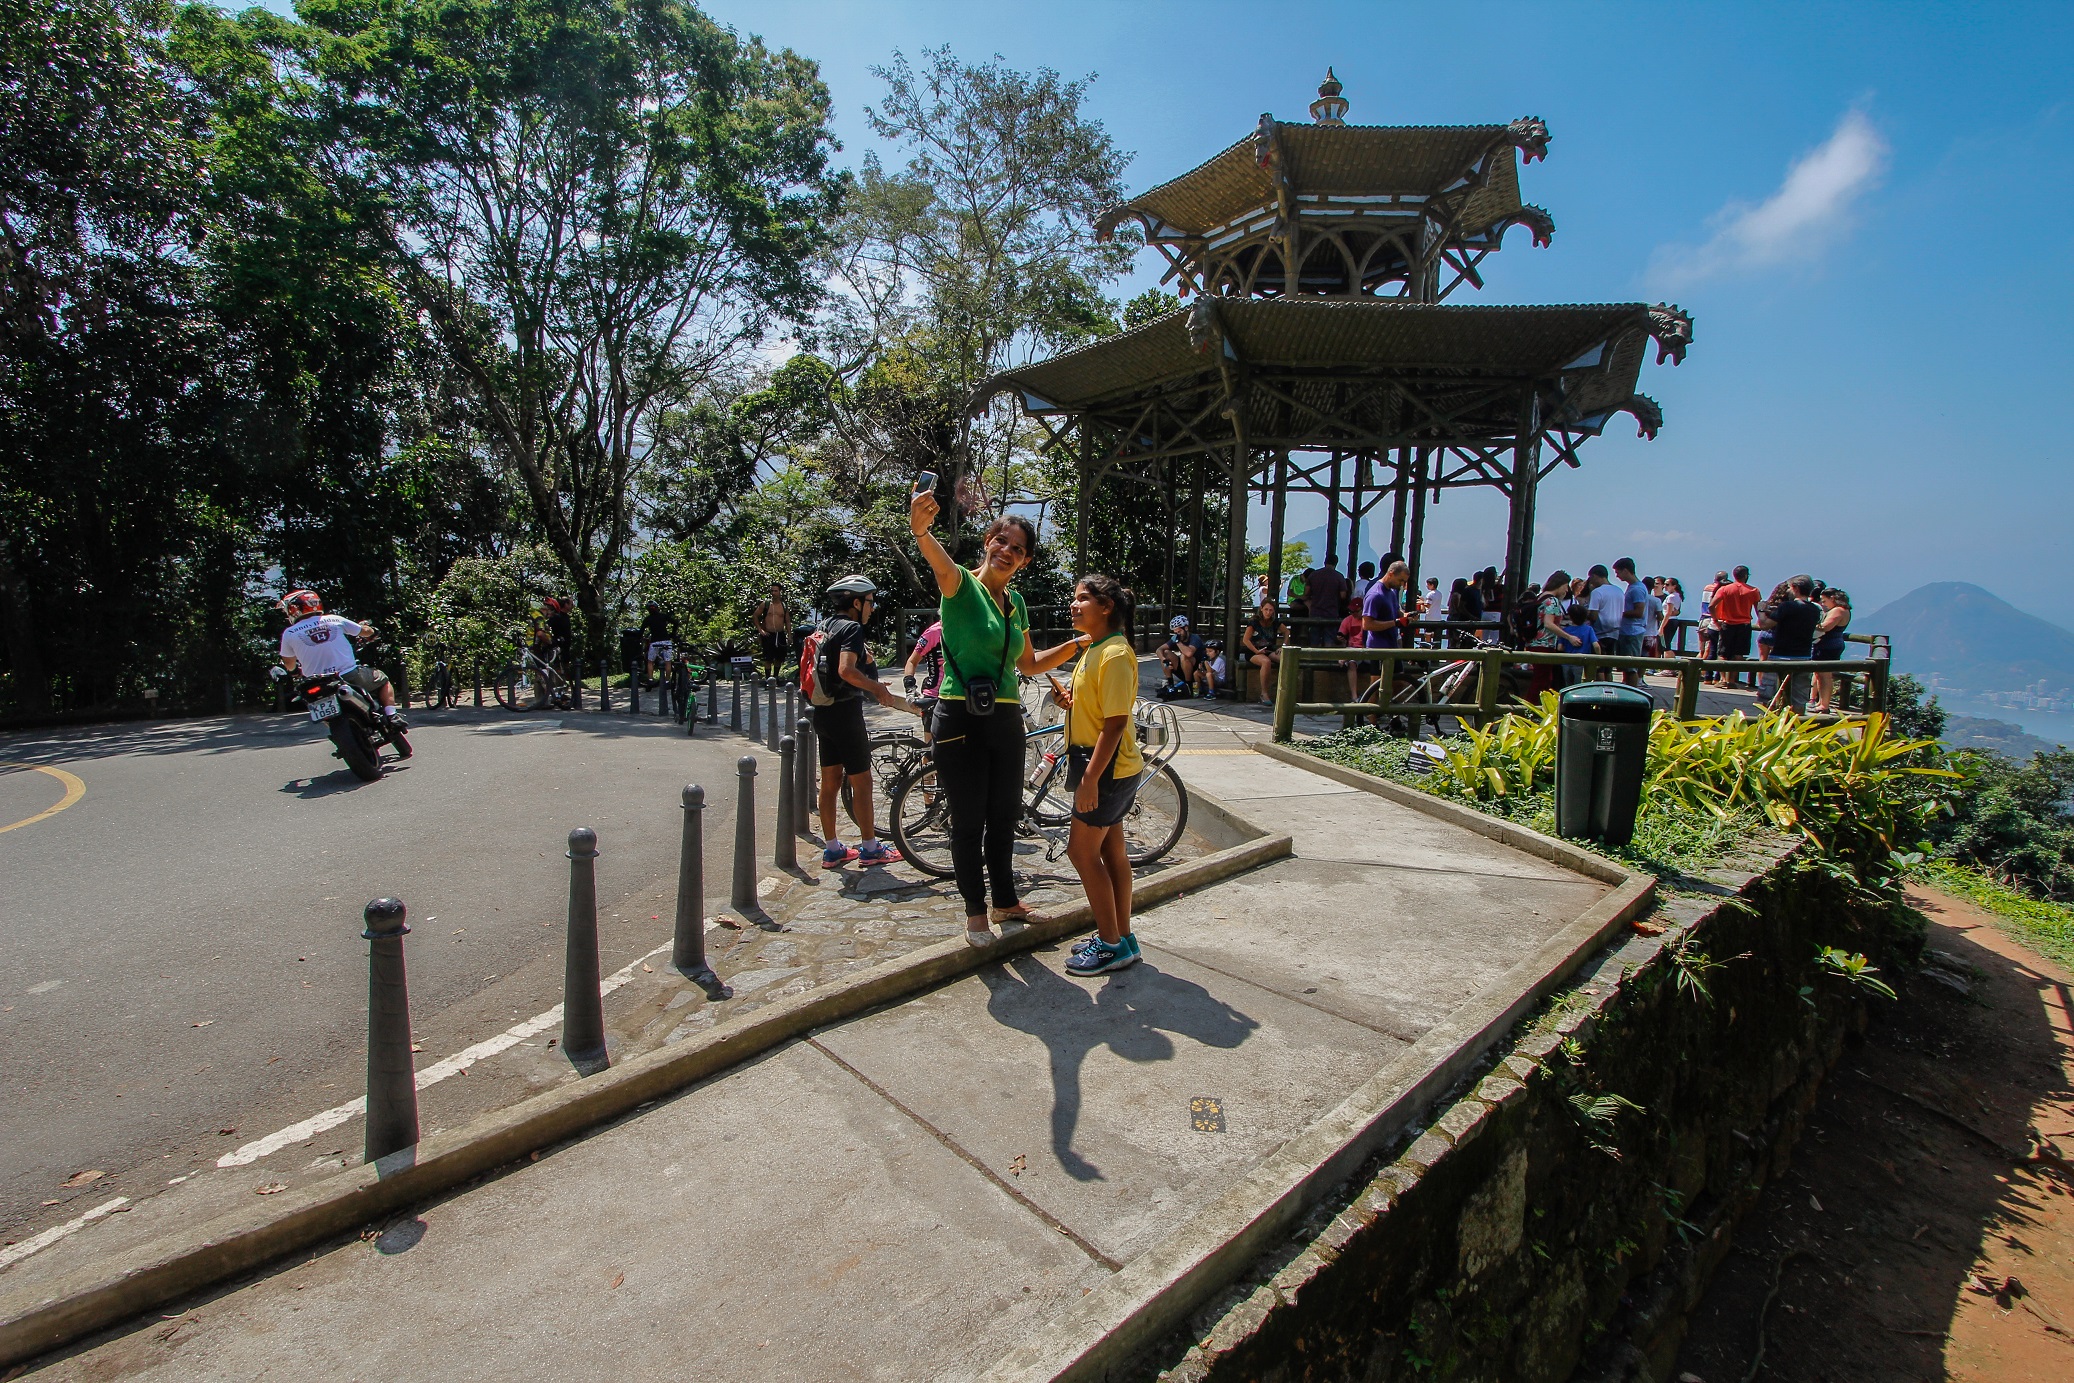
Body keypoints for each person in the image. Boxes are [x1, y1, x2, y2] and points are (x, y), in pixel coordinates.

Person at [910, 490, 1085, 945]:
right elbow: (939, 563)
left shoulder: (1017, 603)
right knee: (967, 820)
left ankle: (1006, 902)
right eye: (1002, 542)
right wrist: (920, 529)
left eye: (1018, 549)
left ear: (1025, 561)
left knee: (1005, 814)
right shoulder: (961, 587)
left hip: (1006, 718)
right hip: (958, 716)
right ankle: (974, 912)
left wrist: (1074, 647)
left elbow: (1026, 665)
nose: (1007, 552)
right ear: (988, 541)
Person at [1057, 575, 1148, 976]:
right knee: (1111, 852)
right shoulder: (1097, 650)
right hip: (1105, 765)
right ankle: (1122, 936)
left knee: (1081, 852)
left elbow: (1114, 724)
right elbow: (1098, 709)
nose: (1074, 605)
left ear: (1106, 607)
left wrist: (1090, 779)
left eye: (1083, 599)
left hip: (1104, 768)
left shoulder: (1112, 653)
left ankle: (1111, 944)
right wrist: (1070, 703)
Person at [811, 575, 920, 870]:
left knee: (830, 781)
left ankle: (832, 849)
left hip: (822, 712)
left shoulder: (824, 626)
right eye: (870, 601)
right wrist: (878, 689)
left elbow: (836, 672)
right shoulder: (851, 628)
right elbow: (846, 670)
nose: (872, 607)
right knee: (862, 782)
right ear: (857, 602)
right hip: (845, 715)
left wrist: (870, 681)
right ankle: (870, 848)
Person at [276, 589, 405, 725]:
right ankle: (392, 715)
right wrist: (373, 631)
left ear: (294, 609)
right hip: (347, 675)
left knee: (317, 704)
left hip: (314, 683)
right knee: (382, 679)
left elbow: (289, 664)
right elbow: (365, 632)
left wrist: (295, 671)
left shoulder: (289, 633)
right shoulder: (333, 619)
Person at [1761, 575, 1821, 713]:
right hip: (1804, 656)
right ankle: (1795, 728)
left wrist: (1761, 610)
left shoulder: (1787, 606)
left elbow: (1765, 625)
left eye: (1789, 587)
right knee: (1799, 698)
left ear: (1796, 588)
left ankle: (1767, 726)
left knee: (1769, 695)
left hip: (1780, 655)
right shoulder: (1815, 610)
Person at [1526, 571, 1582, 698]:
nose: (1567, 590)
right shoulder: (1553, 601)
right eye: (1565, 586)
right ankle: (1529, 709)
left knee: (1542, 678)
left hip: (1533, 642)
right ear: (1560, 584)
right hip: (1545, 644)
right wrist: (1569, 637)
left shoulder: (1541, 597)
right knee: (1541, 681)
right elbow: (1548, 624)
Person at [1711, 566, 1761, 689]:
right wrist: (1760, 621)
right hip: (1744, 625)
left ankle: (1723, 679)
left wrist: (1716, 620)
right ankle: (1732, 680)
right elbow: (1759, 608)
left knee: (1723, 653)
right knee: (1739, 654)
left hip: (1727, 623)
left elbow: (1712, 605)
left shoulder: (1725, 589)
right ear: (1745, 576)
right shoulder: (1753, 590)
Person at [1809, 588, 1852, 713]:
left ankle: (1824, 704)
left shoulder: (1838, 610)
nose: (1823, 603)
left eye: (1824, 600)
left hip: (1828, 645)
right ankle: (1821, 702)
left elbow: (1825, 627)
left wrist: (1811, 622)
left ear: (1832, 598)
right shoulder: (1845, 610)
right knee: (1820, 674)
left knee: (1825, 675)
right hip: (1831, 644)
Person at [902, 618, 945, 731]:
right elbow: (912, 662)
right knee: (933, 747)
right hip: (935, 695)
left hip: (961, 694)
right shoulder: (934, 632)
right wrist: (910, 689)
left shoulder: (968, 629)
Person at [1242, 598, 1287, 705]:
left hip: (1269, 649)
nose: (1268, 612)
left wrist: (1283, 645)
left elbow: (1286, 632)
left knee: (1285, 659)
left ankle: (1285, 691)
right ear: (1261, 609)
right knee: (1266, 662)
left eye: (1271, 610)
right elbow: (1246, 640)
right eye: (1266, 609)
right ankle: (1264, 693)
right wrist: (1256, 651)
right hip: (1253, 651)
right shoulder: (1254, 622)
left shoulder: (1275, 622)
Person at [1612, 557, 1648, 685]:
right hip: (1629, 630)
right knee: (1626, 667)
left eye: (1618, 572)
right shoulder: (1634, 587)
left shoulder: (1637, 589)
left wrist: (1619, 612)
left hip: (1632, 631)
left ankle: (1632, 691)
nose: (1617, 575)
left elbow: (1639, 612)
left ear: (1626, 571)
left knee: (1630, 667)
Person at [1157, 615, 1206, 695]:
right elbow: (1159, 650)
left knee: (1184, 656)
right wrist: (1164, 660)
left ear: (1186, 628)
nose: (1178, 634)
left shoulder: (1195, 638)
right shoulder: (1176, 638)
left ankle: (1188, 685)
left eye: (1179, 632)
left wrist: (1178, 642)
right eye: (1175, 633)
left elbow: (1189, 653)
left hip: (1196, 673)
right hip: (1183, 670)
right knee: (1166, 653)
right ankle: (1170, 683)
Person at [754, 583, 789, 678]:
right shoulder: (766, 604)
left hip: (780, 634)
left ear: (780, 592)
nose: (773, 593)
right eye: (772, 591)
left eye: (775, 591)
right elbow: (755, 616)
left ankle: (776, 677)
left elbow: (787, 621)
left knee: (779, 658)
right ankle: (768, 679)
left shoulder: (783, 605)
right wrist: (760, 630)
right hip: (768, 634)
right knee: (768, 659)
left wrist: (789, 635)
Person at [1305, 557, 1350, 626]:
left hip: (1315, 611)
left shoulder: (1313, 575)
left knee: (1314, 633)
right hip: (1331, 611)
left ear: (1325, 562)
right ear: (1336, 564)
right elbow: (1343, 595)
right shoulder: (1339, 576)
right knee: (1329, 634)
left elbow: (1306, 592)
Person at [641, 601, 675, 688]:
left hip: (655, 642)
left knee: (650, 661)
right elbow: (676, 623)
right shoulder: (663, 616)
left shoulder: (648, 619)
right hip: (666, 641)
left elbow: (641, 631)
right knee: (668, 661)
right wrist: (672, 634)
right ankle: (667, 681)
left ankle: (650, 680)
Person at [1658, 577, 1684, 654]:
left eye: (1667, 584)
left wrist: (1661, 627)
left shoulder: (1671, 597)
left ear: (1674, 586)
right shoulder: (1677, 596)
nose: (1664, 586)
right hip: (1674, 621)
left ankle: (1673, 663)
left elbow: (1668, 613)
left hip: (1669, 621)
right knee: (1666, 645)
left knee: (1665, 646)